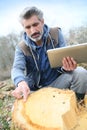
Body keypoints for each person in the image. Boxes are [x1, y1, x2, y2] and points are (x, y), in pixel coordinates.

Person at [11, 6, 87, 102]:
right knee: (18, 106)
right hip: (35, 91)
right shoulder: (21, 47)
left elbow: (63, 60)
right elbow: (17, 68)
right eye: (28, 27)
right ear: (24, 28)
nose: (33, 30)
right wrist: (20, 82)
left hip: (58, 84)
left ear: (42, 21)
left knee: (80, 73)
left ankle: (77, 104)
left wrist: (66, 67)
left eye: (35, 24)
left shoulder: (56, 33)